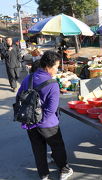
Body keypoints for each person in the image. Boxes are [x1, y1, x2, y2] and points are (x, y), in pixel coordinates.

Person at [17, 51, 73, 180]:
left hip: (30, 122)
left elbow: (18, 97)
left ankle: (43, 175)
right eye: (56, 67)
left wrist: (33, 120)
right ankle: (64, 170)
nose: (57, 70)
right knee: (57, 146)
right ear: (48, 66)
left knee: (38, 149)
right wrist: (41, 121)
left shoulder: (28, 78)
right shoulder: (52, 84)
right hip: (48, 124)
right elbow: (51, 109)